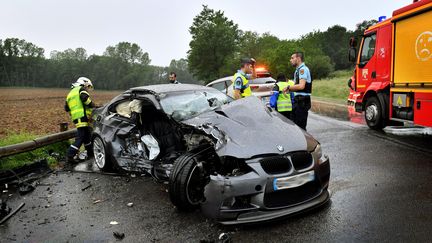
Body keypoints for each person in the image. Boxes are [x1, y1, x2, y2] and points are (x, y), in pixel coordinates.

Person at [64, 77, 96, 163]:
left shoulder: (70, 93)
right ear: (83, 83)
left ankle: (90, 153)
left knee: (87, 136)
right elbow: (85, 99)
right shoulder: (81, 89)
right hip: (83, 117)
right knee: (81, 137)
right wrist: (94, 106)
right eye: (87, 86)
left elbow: (66, 108)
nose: (87, 88)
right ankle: (70, 155)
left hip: (76, 118)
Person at [283, 52, 312, 130]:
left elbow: (301, 86)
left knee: (300, 128)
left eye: (292, 58)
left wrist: (289, 87)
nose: (290, 60)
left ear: (298, 59)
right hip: (298, 100)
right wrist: (290, 90)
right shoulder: (298, 70)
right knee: (295, 126)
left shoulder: (303, 69)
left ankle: (305, 142)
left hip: (302, 100)